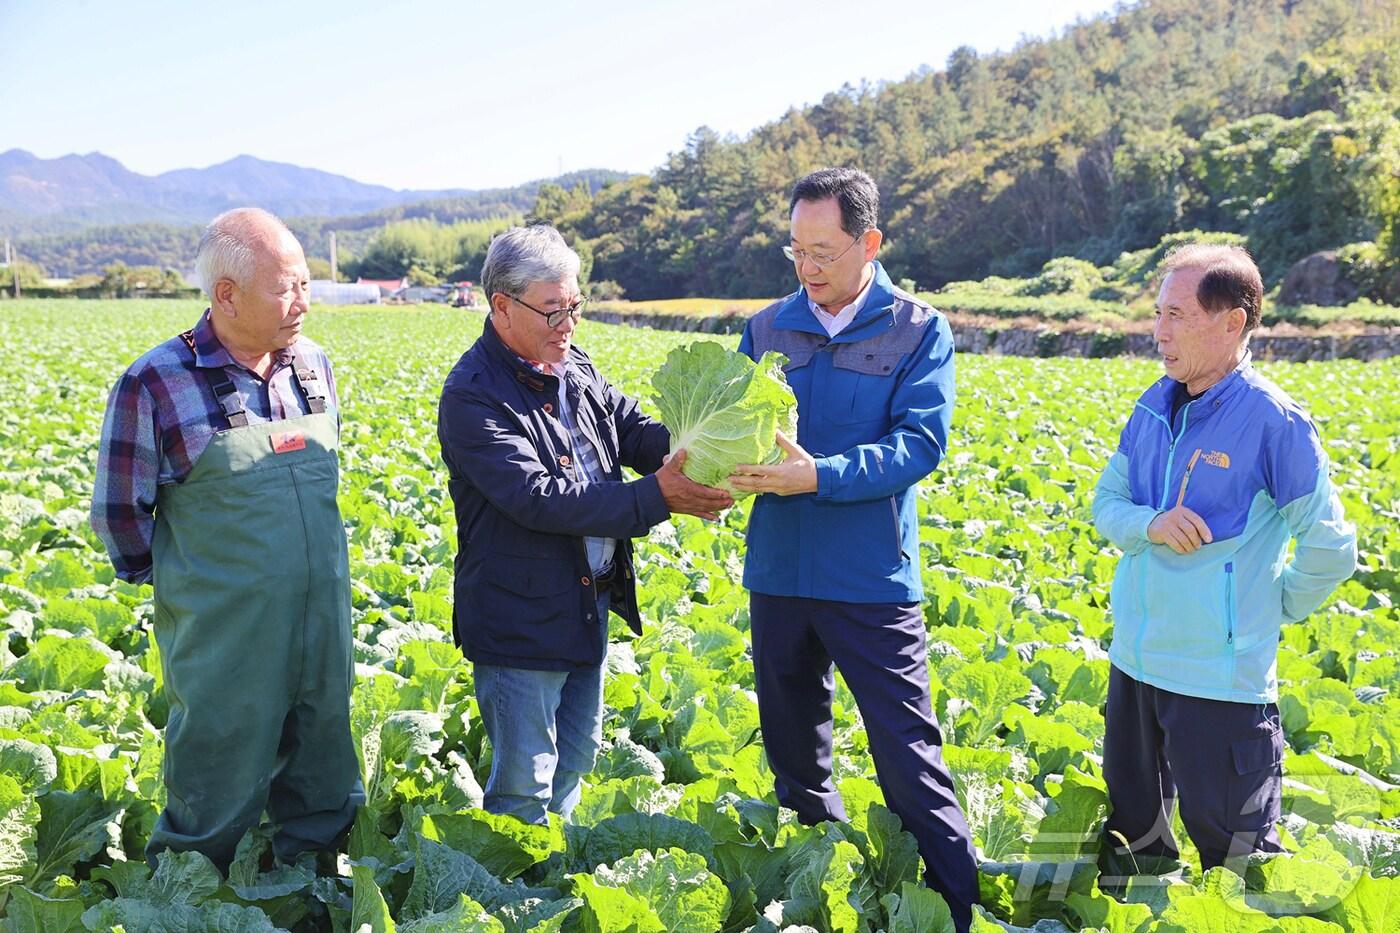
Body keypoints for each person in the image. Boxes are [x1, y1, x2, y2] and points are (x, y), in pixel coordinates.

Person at [729, 168, 979, 930]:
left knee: (908, 758)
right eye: (797, 251)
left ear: (870, 243)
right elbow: (732, 422)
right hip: (778, 571)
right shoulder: (767, 327)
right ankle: (822, 894)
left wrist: (819, 476)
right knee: (794, 757)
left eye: (826, 252)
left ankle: (961, 908)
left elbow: (919, 445)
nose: (808, 269)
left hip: (870, 576)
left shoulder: (916, 328)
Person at [90, 208, 363, 871]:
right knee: (216, 756)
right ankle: (190, 888)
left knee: (325, 753)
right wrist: (191, 586)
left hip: (321, 616)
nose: (302, 301)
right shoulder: (155, 381)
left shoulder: (313, 367)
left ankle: (313, 881)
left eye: (305, 283)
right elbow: (119, 513)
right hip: (224, 630)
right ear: (226, 295)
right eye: (285, 287)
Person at [437, 224, 732, 824]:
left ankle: (554, 879)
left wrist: (706, 447)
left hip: (584, 603)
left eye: (574, 306)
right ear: (501, 306)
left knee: (575, 755)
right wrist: (658, 496)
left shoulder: (574, 365)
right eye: (553, 311)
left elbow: (633, 431)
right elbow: (540, 499)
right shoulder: (472, 395)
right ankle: (512, 898)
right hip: (518, 616)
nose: (568, 324)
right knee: (524, 780)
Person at [1092, 244, 1357, 882]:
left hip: (1219, 684)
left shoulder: (1275, 423)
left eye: (1178, 315)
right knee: (1137, 848)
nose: (1159, 332)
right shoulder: (1152, 405)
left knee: (1239, 865)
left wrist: (1261, 611)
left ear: (1233, 321)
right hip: (1135, 666)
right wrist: (1149, 523)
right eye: (1158, 313)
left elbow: (1331, 547)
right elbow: (1106, 503)